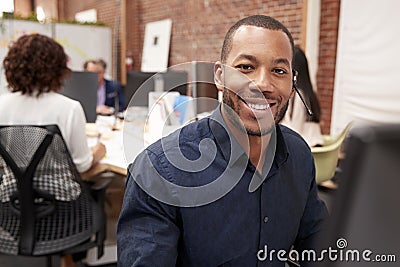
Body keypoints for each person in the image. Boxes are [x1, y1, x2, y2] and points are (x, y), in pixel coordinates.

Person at [117, 15, 328, 266]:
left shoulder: (298, 154)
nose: (263, 83)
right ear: (219, 76)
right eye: (246, 67)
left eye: (278, 71)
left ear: (292, 84)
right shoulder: (159, 171)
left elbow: (320, 247)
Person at [0, 33, 106, 267]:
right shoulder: (68, 108)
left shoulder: (1, 105)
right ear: (58, 69)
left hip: (11, 211)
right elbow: (81, 164)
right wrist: (99, 150)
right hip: (63, 214)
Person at [280, 46, 323, 147]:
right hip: (318, 151)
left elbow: (293, 131)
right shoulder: (309, 94)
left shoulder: (297, 96)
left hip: (304, 150)